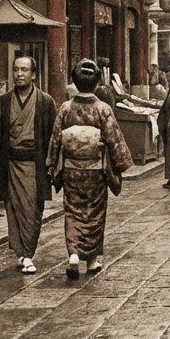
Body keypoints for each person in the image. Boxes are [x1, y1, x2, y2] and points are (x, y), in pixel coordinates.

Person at [47, 59, 134, 280]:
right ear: (96, 83)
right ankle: (92, 260)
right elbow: (114, 139)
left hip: (71, 170)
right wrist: (121, 163)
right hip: (95, 170)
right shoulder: (102, 109)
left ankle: (74, 255)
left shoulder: (65, 108)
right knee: (95, 213)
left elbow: (56, 139)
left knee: (73, 211)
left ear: (75, 83)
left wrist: (51, 163)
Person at [0, 55, 56, 274]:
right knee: (13, 208)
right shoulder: (3, 102)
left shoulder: (45, 101)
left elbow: (53, 136)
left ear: (34, 74)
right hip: (10, 163)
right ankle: (22, 254)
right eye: (15, 70)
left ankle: (28, 252)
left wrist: (52, 162)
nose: (19, 74)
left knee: (31, 209)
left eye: (24, 70)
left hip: (34, 164)